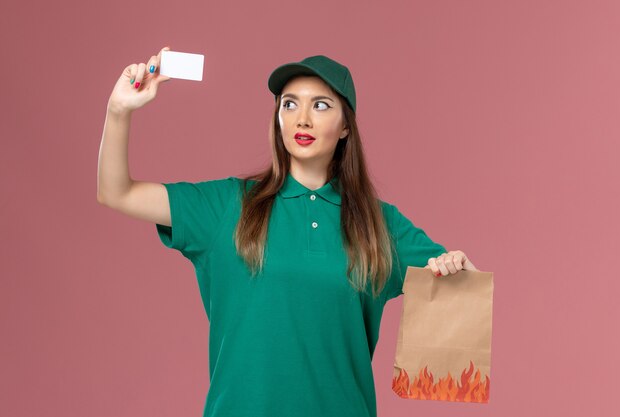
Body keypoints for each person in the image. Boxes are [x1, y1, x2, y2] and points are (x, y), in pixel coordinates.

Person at [97, 46, 478, 417]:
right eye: (290, 104)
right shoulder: (228, 206)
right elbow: (116, 192)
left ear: (346, 126)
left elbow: (462, 292)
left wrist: (458, 266)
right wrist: (118, 111)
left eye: (321, 105)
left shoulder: (379, 224)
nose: (302, 119)